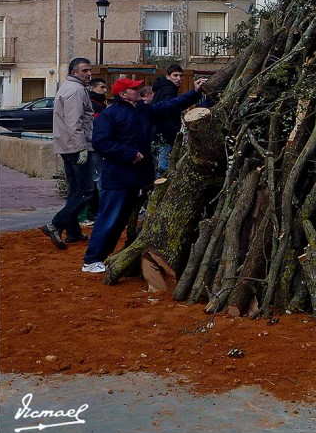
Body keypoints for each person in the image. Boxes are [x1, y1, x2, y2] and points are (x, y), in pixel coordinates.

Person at [81, 74, 206, 274]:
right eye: (134, 89)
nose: (138, 90)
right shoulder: (110, 114)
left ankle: (101, 257)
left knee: (120, 220)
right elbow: (101, 143)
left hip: (137, 176)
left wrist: (195, 93)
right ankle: (92, 259)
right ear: (123, 94)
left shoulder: (142, 110)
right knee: (109, 218)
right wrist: (129, 154)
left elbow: (170, 106)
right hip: (118, 177)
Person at [41, 57, 95, 249]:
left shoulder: (68, 88)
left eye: (89, 70)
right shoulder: (76, 90)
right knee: (85, 192)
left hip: (66, 146)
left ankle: (73, 232)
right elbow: (75, 123)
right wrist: (82, 147)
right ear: (74, 72)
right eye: (84, 71)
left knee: (74, 190)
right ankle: (55, 224)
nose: (89, 74)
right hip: (76, 147)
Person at [77, 78, 108, 224]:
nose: (104, 90)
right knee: (96, 180)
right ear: (93, 88)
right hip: (94, 146)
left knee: (95, 181)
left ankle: (91, 212)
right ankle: (88, 214)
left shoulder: (99, 104)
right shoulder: (95, 106)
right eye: (102, 87)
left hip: (95, 146)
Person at [150, 64, 183, 176]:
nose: (178, 79)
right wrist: (174, 131)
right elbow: (165, 114)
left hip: (158, 133)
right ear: (168, 76)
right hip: (164, 135)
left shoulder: (163, 89)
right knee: (163, 168)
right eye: (175, 75)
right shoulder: (168, 90)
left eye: (180, 76)